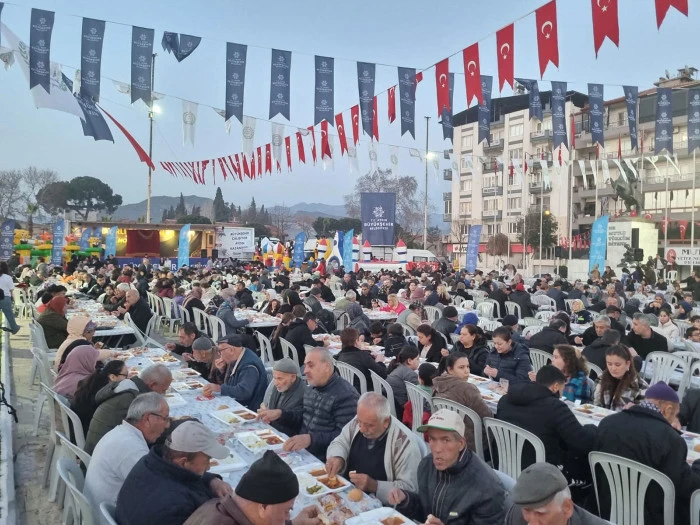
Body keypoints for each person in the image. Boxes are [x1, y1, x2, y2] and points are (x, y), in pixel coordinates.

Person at [596, 381, 700, 524]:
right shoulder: (670, 439)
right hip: (652, 518)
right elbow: (685, 486)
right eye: (674, 415)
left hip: (605, 509)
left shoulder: (608, 423)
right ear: (667, 409)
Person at [387, 409, 508, 524]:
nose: (437, 449)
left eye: (445, 440)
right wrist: (406, 499)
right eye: (432, 439)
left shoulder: (487, 487)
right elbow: (425, 509)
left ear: (461, 444)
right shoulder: (427, 465)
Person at [116, 420, 232, 525]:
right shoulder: (177, 505)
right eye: (207, 461)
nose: (208, 467)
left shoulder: (149, 462)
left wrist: (212, 480)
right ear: (183, 462)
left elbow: (184, 474)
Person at [498, 365, 597, 481]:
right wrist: (593, 428)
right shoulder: (554, 407)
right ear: (555, 387)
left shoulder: (505, 400)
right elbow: (582, 441)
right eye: (562, 389)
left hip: (505, 466)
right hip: (543, 473)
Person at [84, 393, 171, 523]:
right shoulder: (133, 449)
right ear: (148, 419)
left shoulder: (120, 432)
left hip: (95, 509)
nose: (167, 425)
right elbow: (156, 494)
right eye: (165, 419)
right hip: (106, 518)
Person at [325, 392, 420, 504]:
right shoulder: (361, 420)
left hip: (380, 506)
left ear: (386, 422)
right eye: (360, 422)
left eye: (369, 425)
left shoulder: (405, 443)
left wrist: (375, 486)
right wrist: (338, 457)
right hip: (346, 493)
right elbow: (340, 441)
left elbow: (410, 489)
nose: (362, 429)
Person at [183, 450, 320, 525]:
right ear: (263, 507)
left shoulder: (224, 506)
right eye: (287, 510)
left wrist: (294, 523)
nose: (287, 517)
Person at [282, 347, 359, 461]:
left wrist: (310, 439)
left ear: (327, 367)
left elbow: (345, 437)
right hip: (300, 452)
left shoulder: (346, 395)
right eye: (305, 366)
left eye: (311, 365)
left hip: (324, 460)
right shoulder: (311, 388)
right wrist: (280, 414)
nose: (305, 371)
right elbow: (304, 415)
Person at [85, 364, 173, 454]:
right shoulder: (133, 398)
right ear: (152, 385)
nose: (164, 394)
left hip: (98, 446)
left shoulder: (127, 386)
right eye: (163, 390)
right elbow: (149, 429)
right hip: (102, 452)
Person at [505, 462, 608, 525]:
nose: (533, 523)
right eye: (527, 511)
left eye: (540, 513)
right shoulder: (516, 514)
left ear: (567, 507)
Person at [433, 352, 492, 455]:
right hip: (469, 440)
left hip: (444, 433)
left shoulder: (438, 384)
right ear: (450, 370)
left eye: (468, 367)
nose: (466, 371)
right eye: (461, 367)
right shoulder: (467, 388)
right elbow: (487, 416)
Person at [202, 334, 268, 410]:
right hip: (236, 401)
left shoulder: (249, 366)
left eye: (220, 351)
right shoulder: (237, 356)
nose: (219, 354)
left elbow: (244, 392)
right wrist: (222, 370)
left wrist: (219, 388)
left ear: (231, 350)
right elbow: (229, 384)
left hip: (248, 408)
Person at [71, 360, 127, 439]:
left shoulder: (93, 382)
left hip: (80, 429)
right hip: (91, 434)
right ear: (112, 377)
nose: (128, 378)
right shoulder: (104, 394)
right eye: (125, 375)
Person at [257, 358, 306, 437]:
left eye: (280, 378)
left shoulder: (303, 393)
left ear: (293, 377)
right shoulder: (279, 386)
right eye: (274, 378)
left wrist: (278, 414)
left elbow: (297, 418)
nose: (276, 383)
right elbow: (270, 408)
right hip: (273, 430)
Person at [594, 344, 647, 412]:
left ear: (628, 364)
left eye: (617, 365)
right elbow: (595, 404)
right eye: (609, 364)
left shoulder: (640, 386)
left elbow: (642, 413)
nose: (613, 368)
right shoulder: (602, 378)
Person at [335, 327, 387, 392]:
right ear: (356, 342)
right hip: (365, 392)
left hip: (346, 389)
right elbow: (382, 374)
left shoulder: (340, 356)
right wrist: (379, 362)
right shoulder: (363, 356)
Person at [386, 345, 420, 418]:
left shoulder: (398, 368)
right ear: (409, 361)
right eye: (417, 359)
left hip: (390, 404)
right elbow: (417, 396)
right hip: (401, 408)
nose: (419, 361)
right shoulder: (410, 374)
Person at [0, 261, 19, 334]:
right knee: (9, 315)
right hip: (5, 298)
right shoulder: (8, 277)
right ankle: (14, 328)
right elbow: (11, 289)